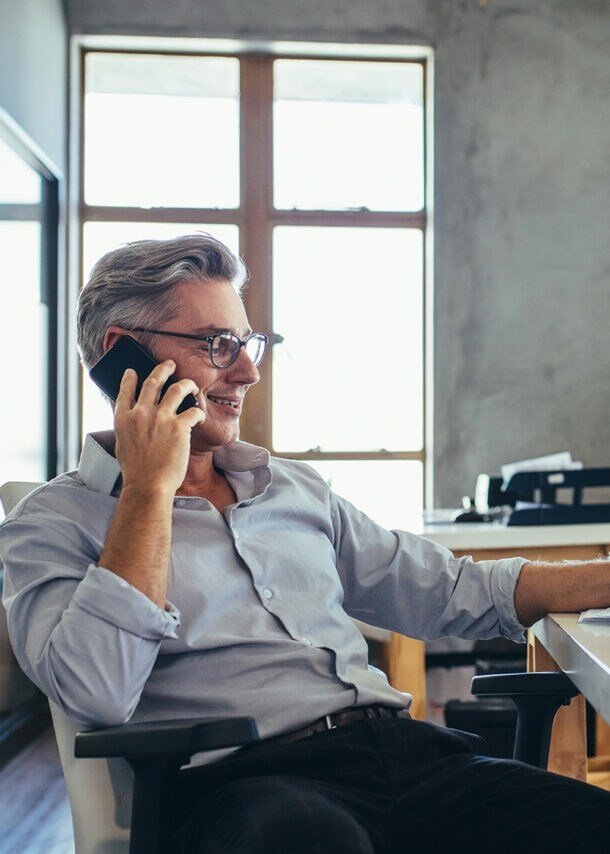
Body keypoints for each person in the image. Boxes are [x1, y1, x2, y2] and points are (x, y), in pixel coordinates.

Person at [2, 232, 610, 853]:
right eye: (218, 345)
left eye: (248, 344)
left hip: (411, 759)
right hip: (250, 789)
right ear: (122, 355)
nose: (247, 370)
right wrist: (149, 491)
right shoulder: (48, 525)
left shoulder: (291, 488)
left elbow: (453, 591)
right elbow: (97, 690)